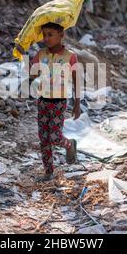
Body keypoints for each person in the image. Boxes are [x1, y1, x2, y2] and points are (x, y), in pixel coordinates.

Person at [21, 22, 81, 181]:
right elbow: (32, 75)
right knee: (44, 138)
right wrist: (25, 56)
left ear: (61, 35)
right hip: (42, 101)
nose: (46, 38)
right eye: (44, 35)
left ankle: (69, 144)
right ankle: (48, 172)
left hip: (59, 102)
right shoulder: (41, 54)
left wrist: (77, 104)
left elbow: (77, 81)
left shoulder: (70, 56)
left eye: (50, 35)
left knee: (54, 137)